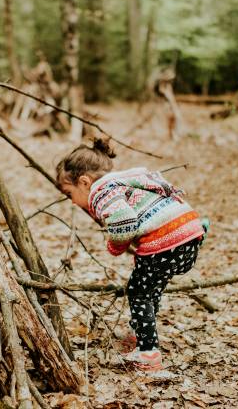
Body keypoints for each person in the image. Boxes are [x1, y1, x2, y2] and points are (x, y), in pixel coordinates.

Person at [56, 139, 207, 372]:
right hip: (190, 235)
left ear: (84, 182)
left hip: (165, 243)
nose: (74, 203)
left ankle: (148, 353)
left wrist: (115, 246)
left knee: (138, 292)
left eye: (70, 194)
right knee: (151, 289)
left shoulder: (101, 192)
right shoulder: (125, 182)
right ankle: (141, 334)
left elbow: (124, 223)